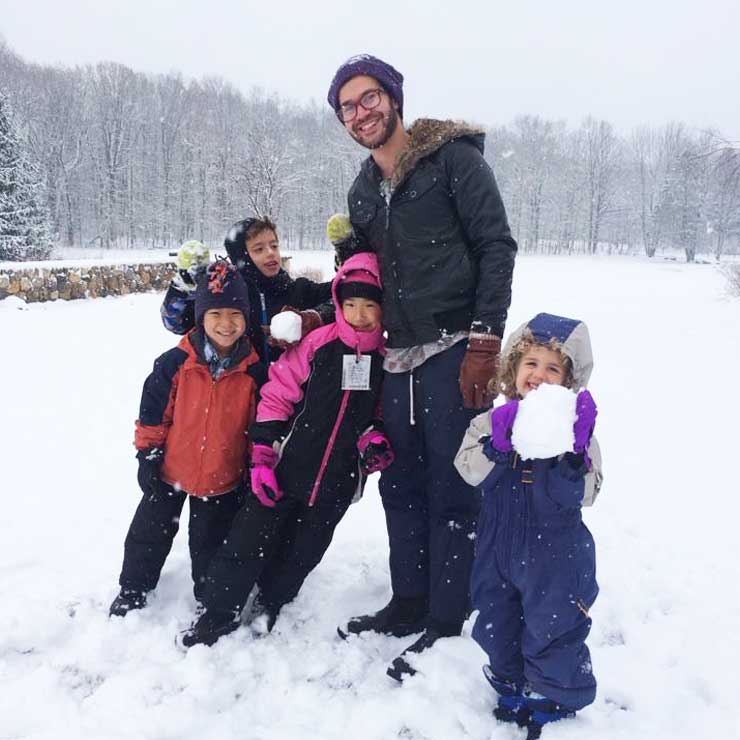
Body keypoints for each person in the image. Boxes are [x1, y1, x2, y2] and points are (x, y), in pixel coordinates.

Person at [326, 54, 518, 679]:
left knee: (453, 487)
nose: (361, 112)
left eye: (369, 98)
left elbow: (496, 247)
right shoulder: (361, 191)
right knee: (399, 483)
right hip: (394, 360)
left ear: (394, 98)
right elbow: (370, 279)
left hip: (455, 349)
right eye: (348, 106)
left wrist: (486, 343)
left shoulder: (454, 161)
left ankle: (446, 616)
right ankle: (407, 601)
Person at [179, 253, 394, 647]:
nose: (359, 314)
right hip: (285, 468)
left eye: (369, 306)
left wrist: (373, 439)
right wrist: (262, 452)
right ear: (338, 303)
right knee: (248, 540)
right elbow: (277, 395)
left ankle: (272, 599)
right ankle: (219, 611)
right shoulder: (318, 344)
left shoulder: (384, 359)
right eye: (349, 304)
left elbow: (377, 415)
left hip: (337, 481)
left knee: (304, 549)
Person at [454, 312, 603, 740]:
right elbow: (468, 470)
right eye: (530, 364)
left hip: (555, 555)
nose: (539, 375)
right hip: (498, 547)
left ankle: (552, 693)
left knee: (553, 624)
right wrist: (496, 448)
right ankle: (511, 680)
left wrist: (572, 461)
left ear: (570, 380)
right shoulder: (490, 422)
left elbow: (589, 494)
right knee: (494, 618)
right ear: (513, 370)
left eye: (553, 368)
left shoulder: (577, 433)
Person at [109, 261, 263, 616]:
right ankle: (134, 587)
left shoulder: (254, 371)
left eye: (235, 314)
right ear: (200, 316)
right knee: (148, 535)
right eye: (216, 314)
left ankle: (208, 596)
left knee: (210, 543)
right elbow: (153, 413)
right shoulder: (175, 363)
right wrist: (148, 454)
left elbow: (259, 426)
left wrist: (254, 465)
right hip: (169, 472)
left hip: (222, 478)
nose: (226, 324)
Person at [160, 217, 333, 364]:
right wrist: (184, 288)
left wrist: (315, 316)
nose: (271, 253)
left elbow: (343, 297)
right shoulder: (226, 295)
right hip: (240, 390)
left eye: (274, 246)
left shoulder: (299, 290)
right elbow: (178, 324)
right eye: (259, 249)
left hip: (288, 393)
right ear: (242, 256)